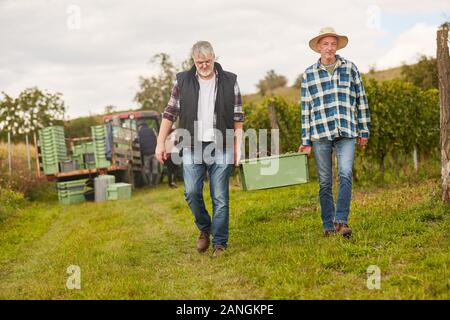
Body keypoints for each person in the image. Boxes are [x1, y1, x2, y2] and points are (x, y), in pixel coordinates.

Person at [156, 41, 244, 257]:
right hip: (191, 145)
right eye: (199, 62)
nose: (204, 66)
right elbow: (169, 113)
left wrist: (238, 148)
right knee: (191, 192)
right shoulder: (182, 81)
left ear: (214, 57)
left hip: (222, 145)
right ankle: (205, 227)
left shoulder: (230, 80)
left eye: (207, 61)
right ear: (193, 60)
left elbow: (238, 118)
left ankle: (220, 243)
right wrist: (160, 142)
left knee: (220, 197)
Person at [299, 27, 371, 237]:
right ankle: (327, 225)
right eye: (325, 44)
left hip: (347, 129)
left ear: (337, 46)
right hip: (320, 133)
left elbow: (361, 100)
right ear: (318, 48)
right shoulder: (309, 74)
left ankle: (341, 221)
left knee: (346, 173)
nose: (329, 48)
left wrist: (364, 130)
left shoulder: (350, 68)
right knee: (324, 181)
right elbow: (306, 109)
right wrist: (306, 141)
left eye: (333, 44)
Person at [137, 120, 160, 185]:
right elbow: (157, 138)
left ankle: (150, 182)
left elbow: (138, 142)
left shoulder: (139, 132)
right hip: (154, 152)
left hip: (146, 154)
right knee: (155, 168)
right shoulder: (152, 130)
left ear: (140, 126)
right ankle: (154, 183)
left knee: (147, 169)